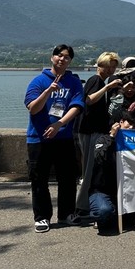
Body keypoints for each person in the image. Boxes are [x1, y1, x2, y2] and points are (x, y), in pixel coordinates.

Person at [25, 44, 85, 233]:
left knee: (67, 178)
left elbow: (76, 106)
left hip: (64, 138)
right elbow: (32, 108)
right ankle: (42, 217)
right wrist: (48, 92)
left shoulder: (74, 82)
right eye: (59, 55)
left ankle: (66, 214)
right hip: (38, 139)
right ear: (52, 58)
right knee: (39, 179)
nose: (62, 59)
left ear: (70, 61)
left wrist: (59, 125)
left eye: (66, 57)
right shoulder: (38, 81)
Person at [76, 52, 122, 216]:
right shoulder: (95, 80)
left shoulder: (98, 81)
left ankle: (84, 204)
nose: (111, 69)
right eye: (109, 66)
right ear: (101, 65)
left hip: (92, 130)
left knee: (90, 169)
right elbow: (89, 99)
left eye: (114, 67)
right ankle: (82, 206)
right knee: (89, 169)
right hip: (90, 131)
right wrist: (108, 87)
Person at [87, 110, 135, 234]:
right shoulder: (103, 139)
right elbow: (100, 158)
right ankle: (100, 215)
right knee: (104, 212)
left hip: (128, 191)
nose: (131, 129)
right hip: (102, 191)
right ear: (120, 123)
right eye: (128, 125)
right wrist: (112, 137)